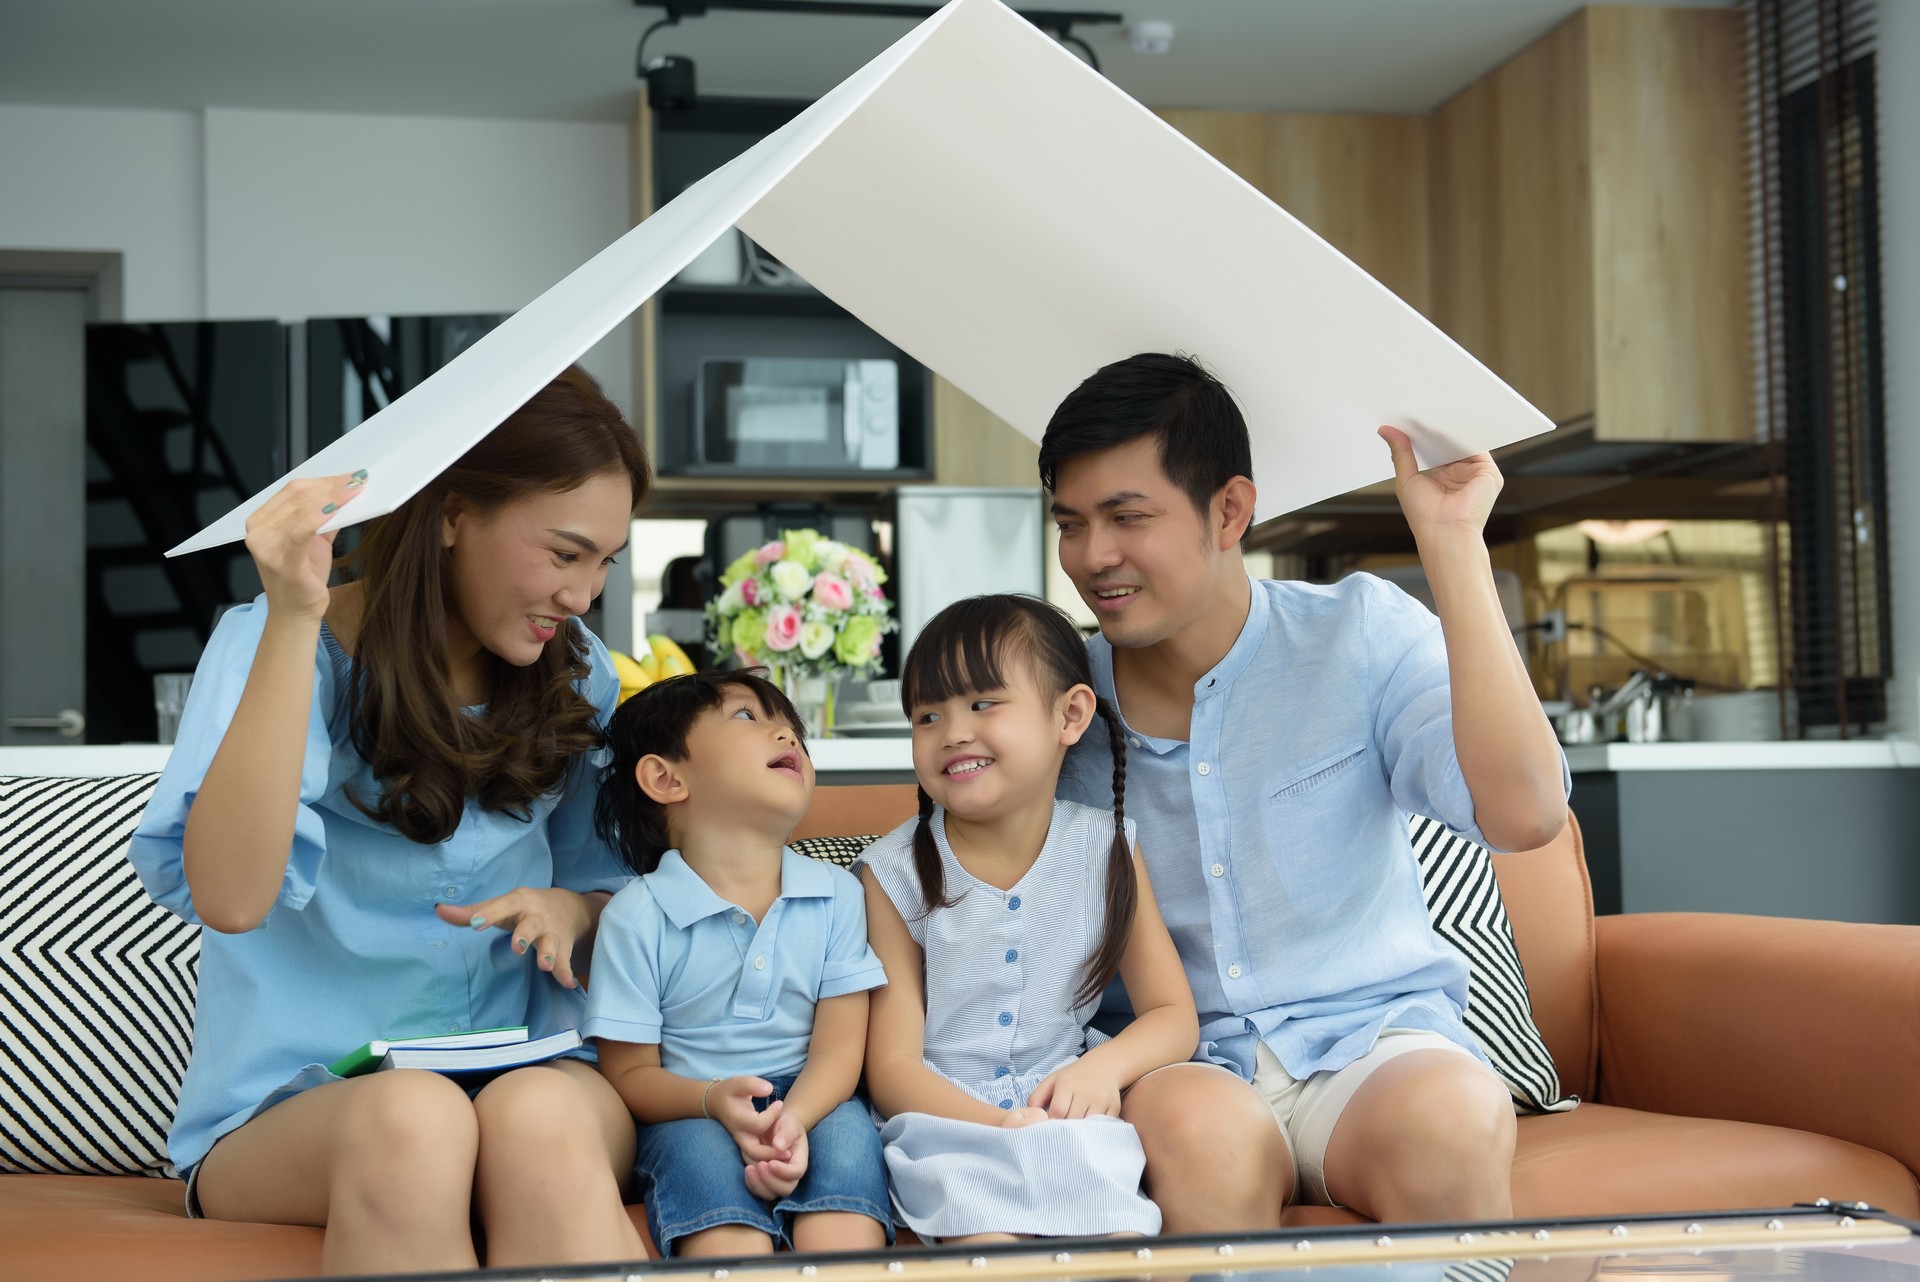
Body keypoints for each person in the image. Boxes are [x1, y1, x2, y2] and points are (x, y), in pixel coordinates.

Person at [129, 367, 651, 1275]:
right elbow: (231, 897)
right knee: (415, 1118)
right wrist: (297, 617)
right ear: (454, 513)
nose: (584, 594)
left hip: (520, 1075)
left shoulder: (581, 672)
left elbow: (607, 890)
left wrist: (578, 912)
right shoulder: (272, 644)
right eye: (565, 554)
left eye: (603, 561)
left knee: (537, 1114)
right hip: (296, 1110)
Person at [1043, 352, 1571, 1228]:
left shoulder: (1358, 633)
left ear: (1230, 510)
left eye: (1127, 517)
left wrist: (1452, 546)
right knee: (1200, 1136)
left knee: (1455, 1113)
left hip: (1370, 1052)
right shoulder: (1058, 703)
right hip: (1183, 1068)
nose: (1094, 557)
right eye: (1071, 524)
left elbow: (1525, 816)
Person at [859, 594, 1199, 1243]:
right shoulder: (891, 872)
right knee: (989, 1252)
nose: (953, 730)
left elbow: (1172, 1015)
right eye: (928, 715)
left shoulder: (1109, 848)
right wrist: (998, 1127)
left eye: (983, 703)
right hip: (946, 1130)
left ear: (1070, 714)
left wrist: (1100, 1071)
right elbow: (894, 1070)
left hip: (1071, 1119)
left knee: (1121, 1246)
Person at [586, 669, 892, 1258]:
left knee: (851, 1144)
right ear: (665, 777)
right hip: (691, 1107)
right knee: (705, 1175)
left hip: (816, 1098)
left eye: (791, 726)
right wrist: (711, 1100)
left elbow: (840, 1050)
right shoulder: (635, 916)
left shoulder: (839, 894)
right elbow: (627, 1077)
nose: (786, 734)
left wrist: (792, 1120)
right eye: (749, 716)